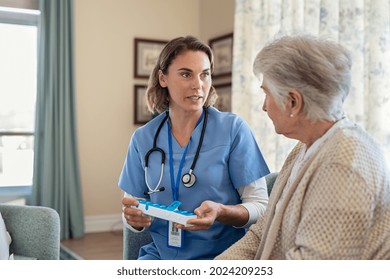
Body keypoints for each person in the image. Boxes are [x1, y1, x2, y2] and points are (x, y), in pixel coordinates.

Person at [216, 34, 390, 260]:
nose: (264, 106)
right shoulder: (305, 147)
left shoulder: (344, 162)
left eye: (266, 93)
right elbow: (261, 233)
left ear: (293, 102)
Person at [119, 35, 270, 260]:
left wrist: (221, 211)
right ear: (163, 78)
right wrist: (134, 220)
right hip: (161, 256)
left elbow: (260, 207)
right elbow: (132, 207)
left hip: (223, 257)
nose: (198, 84)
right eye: (185, 74)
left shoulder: (233, 129)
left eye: (205, 74)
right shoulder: (143, 139)